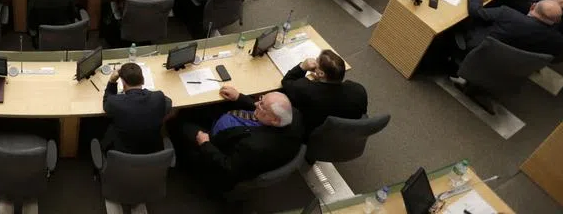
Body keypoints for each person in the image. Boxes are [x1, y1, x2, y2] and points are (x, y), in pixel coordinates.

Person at [174, 85, 302, 195]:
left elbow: (227, 168)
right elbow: (268, 111)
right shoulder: (293, 115)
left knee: (180, 121)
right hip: (238, 135)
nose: (256, 104)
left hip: (221, 151)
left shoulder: (254, 146)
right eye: (261, 100)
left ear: (275, 120)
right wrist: (239, 97)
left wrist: (205, 143)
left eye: (261, 105)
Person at [451, 0, 563, 70]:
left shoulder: (508, 14)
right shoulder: (559, 41)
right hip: (511, 68)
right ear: (558, 20)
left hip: (476, 52)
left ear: (532, 6)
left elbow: (475, 12)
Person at [280, 49, 367, 135]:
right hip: (346, 134)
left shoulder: (305, 89)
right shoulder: (358, 90)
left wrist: (302, 66)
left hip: (313, 135)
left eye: (316, 61)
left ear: (321, 73)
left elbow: (287, 82)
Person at [100, 62, 172, 155]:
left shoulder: (115, 103)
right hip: (153, 154)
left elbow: (106, 103)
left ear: (123, 82)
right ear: (143, 80)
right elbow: (168, 104)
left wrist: (112, 81)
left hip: (123, 157)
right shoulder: (158, 97)